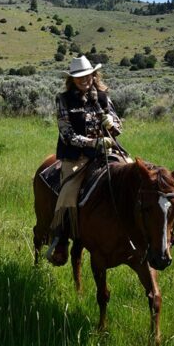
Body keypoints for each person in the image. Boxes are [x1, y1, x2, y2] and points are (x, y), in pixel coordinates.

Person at [45, 56, 122, 266]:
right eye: (79, 77)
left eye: (87, 75)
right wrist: (95, 143)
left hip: (106, 152)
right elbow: (67, 135)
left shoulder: (104, 96)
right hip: (75, 156)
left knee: (133, 175)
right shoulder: (63, 100)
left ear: (93, 75)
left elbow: (119, 127)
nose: (84, 80)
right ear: (72, 79)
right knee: (68, 192)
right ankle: (60, 240)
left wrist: (111, 123)